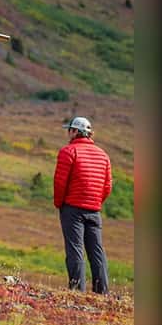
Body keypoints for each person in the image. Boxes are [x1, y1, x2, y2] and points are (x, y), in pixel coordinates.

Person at [54, 116, 112, 294]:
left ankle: (77, 290)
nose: (68, 133)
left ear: (75, 131)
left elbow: (60, 183)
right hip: (94, 210)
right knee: (97, 251)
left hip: (72, 208)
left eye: (69, 130)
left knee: (75, 249)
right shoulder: (103, 155)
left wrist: (59, 203)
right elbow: (107, 186)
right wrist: (96, 202)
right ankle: (102, 292)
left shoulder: (68, 151)